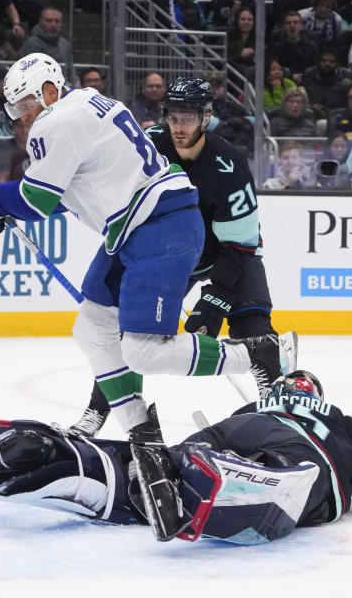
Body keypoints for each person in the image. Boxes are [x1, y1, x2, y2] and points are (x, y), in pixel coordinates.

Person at [0, 54, 288, 442]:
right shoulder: (91, 102)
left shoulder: (55, 123)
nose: (22, 116)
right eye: (15, 108)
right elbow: (67, 189)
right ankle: (137, 427)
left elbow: (35, 201)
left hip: (181, 237)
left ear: (50, 90)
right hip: (145, 229)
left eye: (26, 105)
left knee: (148, 348)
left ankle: (260, 357)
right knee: (93, 329)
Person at [68, 77, 296, 437]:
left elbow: (241, 244)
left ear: (206, 118)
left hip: (228, 254)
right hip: (169, 253)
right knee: (127, 328)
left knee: (251, 327)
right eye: (173, 116)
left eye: (188, 117)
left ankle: (277, 400)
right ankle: (102, 405)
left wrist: (217, 295)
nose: (178, 126)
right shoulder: (149, 145)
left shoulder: (229, 163)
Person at [0, 370, 352, 545]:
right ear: (314, 394)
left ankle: (67, 455)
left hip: (233, 430)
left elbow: (217, 433)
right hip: (303, 452)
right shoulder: (340, 419)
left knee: (169, 465)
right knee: (290, 474)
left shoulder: (257, 405)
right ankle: (250, 481)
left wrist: (186, 455)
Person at [19, 6, 74, 81]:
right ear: (40, 22)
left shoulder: (65, 44)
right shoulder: (31, 43)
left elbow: (71, 71)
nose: (53, 24)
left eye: (57, 21)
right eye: (49, 21)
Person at [268, 11, 319, 85]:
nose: (292, 25)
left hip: (307, 83)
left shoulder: (311, 46)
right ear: (284, 27)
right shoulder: (277, 47)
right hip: (283, 82)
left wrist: (302, 77)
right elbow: (274, 69)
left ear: (301, 26)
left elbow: (315, 69)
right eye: (288, 23)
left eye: (295, 23)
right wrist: (291, 77)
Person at [0, 118, 31, 182]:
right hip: (12, 189)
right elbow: (1, 179)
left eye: (27, 126)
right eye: (20, 126)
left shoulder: (39, 146)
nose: (24, 130)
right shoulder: (3, 149)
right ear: (13, 128)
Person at [226, 7, 257, 75]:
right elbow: (224, 59)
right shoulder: (228, 36)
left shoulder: (258, 38)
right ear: (237, 21)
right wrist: (240, 55)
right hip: (232, 73)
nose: (246, 22)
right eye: (243, 19)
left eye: (250, 20)